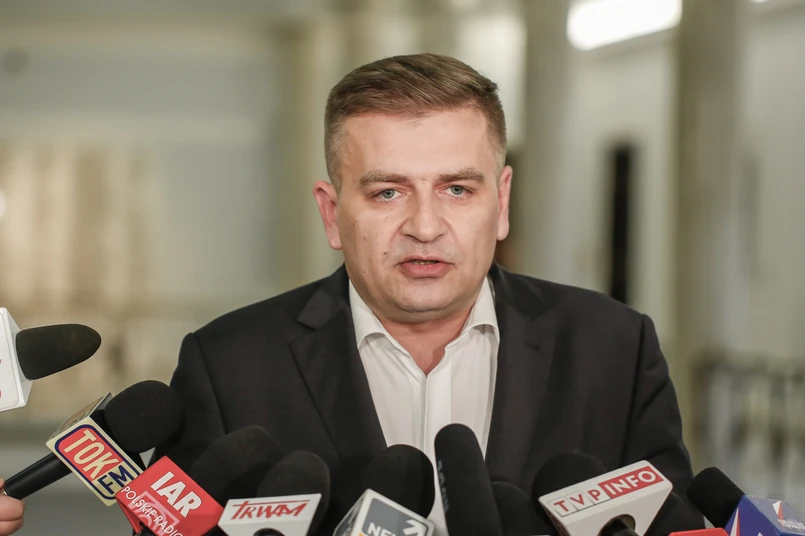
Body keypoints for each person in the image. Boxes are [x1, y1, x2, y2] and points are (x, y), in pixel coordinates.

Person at [0, 53, 697, 535]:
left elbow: (676, 523)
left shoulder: (613, 347)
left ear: (502, 200)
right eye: (387, 192)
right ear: (332, 213)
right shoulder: (228, 363)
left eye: (457, 189)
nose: (425, 226)